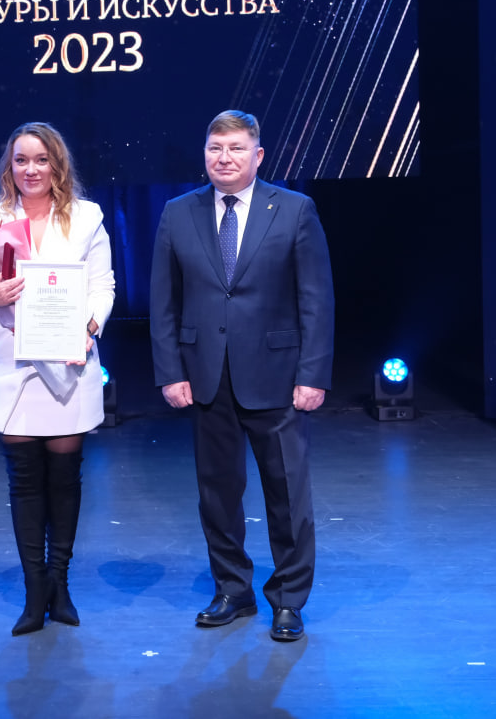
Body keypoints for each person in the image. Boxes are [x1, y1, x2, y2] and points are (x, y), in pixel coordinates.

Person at [149, 110, 334, 642]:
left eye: (235, 148)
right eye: (215, 148)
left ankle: (289, 600)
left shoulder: (294, 210)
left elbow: (316, 299)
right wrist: (170, 372)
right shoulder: (178, 213)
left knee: (287, 493)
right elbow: (163, 302)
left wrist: (313, 373)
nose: (224, 158)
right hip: (205, 377)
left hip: (277, 376)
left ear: (258, 155)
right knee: (217, 493)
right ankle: (232, 589)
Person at [0, 122, 115, 636]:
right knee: (25, 481)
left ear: (57, 165)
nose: (31, 169)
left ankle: (60, 584)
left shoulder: (87, 217)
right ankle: (34, 593)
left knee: (64, 479)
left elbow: (102, 285)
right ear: (9, 167)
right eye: (21, 160)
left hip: (69, 364)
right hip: (12, 365)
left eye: (41, 159)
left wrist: (89, 328)